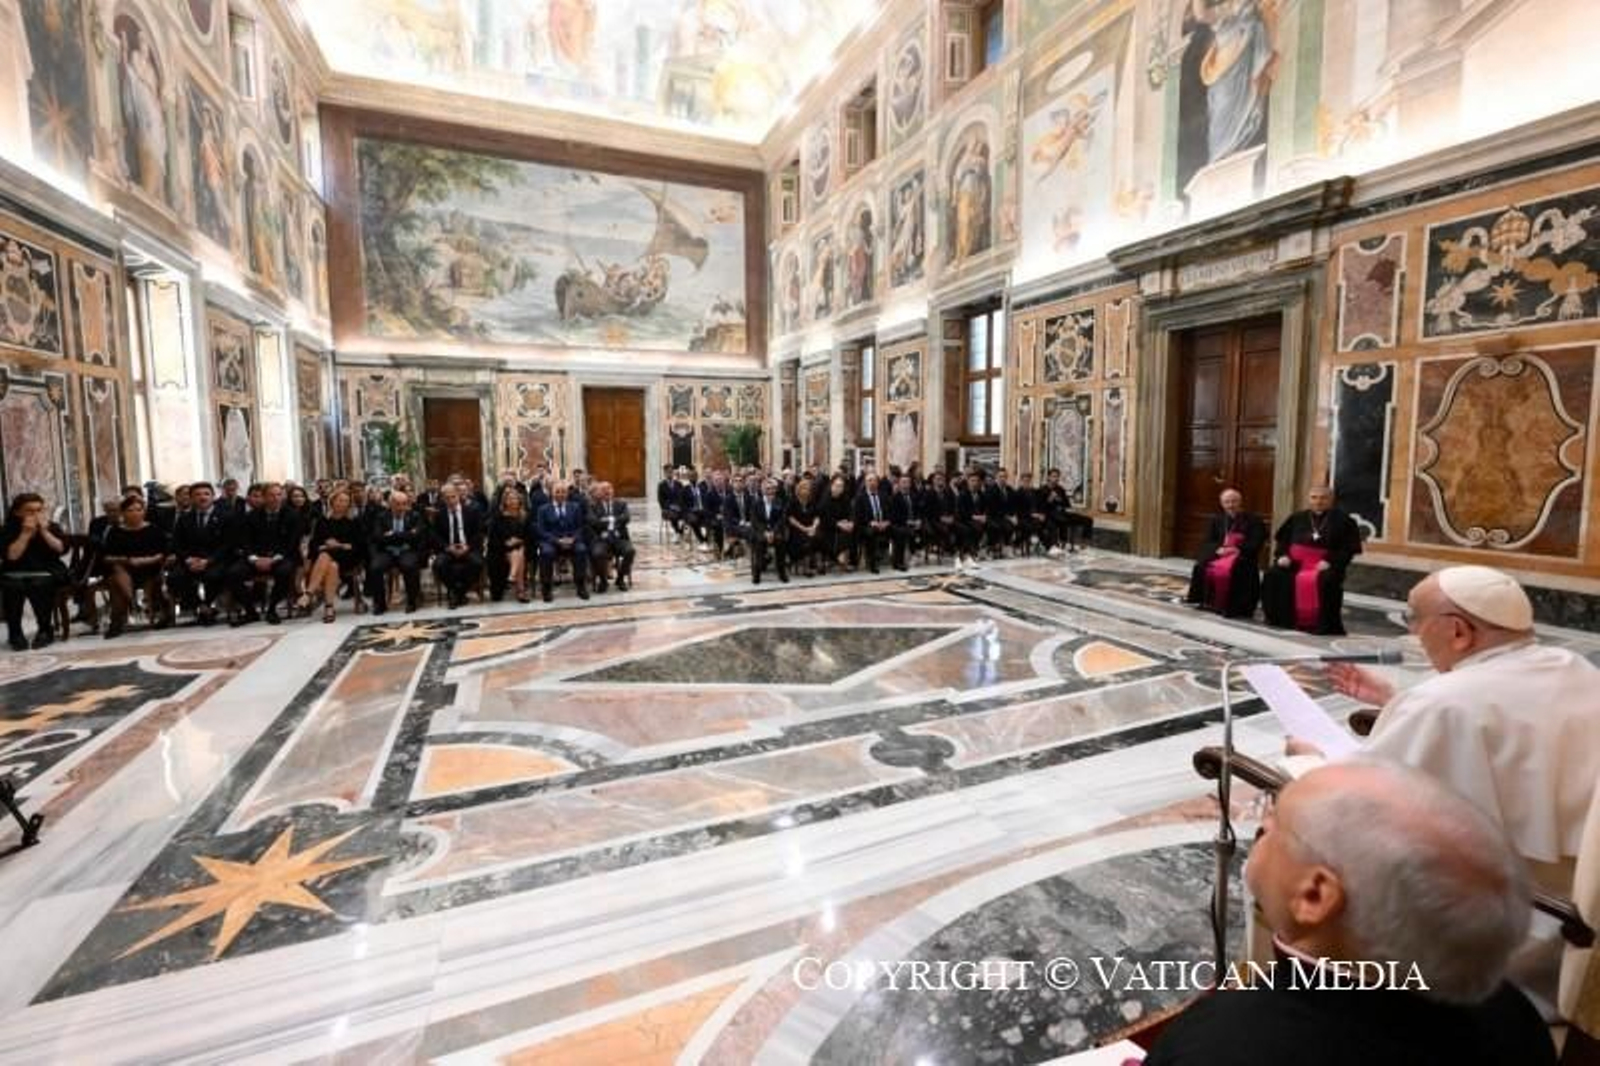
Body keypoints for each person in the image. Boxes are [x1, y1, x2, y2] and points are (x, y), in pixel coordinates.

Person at [1306, 565, 1600, 1006]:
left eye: (1414, 619)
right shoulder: (1572, 666)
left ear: (1459, 631)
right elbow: (1508, 732)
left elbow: (1363, 802)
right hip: (1573, 914)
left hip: (1496, 934)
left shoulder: (1442, 705)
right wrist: (1395, 702)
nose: (1413, 633)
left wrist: (1310, 754)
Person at [1145, 760, 1555, 1066]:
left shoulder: (1218, 1045)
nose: (1260, 831)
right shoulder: (1512, 1013)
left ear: (1314, 896)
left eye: (1274, 824)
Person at [1261, 486, 1362, 636]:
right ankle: (1280, 619)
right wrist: (1282, 555)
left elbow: (1349, 548)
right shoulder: (1297, 517)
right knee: (1272, 574)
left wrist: (1331, 561)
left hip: (1323, 564)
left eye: (1323, 498)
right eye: (1314, 497)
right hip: (1294, 563)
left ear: (1331, 499)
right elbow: (1283, 540)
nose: (1318, 501)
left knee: (1326, 580)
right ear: (1308, 499)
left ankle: (1318, 624)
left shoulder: (1345, 521)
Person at [1186, 487, 1268, 618]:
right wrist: (1218, 549)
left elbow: (1257, 541)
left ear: (1240, 502)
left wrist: (1237, 549)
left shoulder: (1254, 520)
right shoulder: (1217, 519)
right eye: (1227, 502)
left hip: (1242, 555)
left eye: (1234, 501)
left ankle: (1232, 607)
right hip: (1221, 554)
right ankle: (1208, 602)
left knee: (1236, 569)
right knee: (1201, 566)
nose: (1230, 505)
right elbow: (1208, 540)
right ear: (1222, 503)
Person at [2, 493, 68, 650]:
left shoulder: (52, 527)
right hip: (15, 572)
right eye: (29, 511)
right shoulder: (7, 529)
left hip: (47, 571)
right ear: (17, 512)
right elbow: (12, 556)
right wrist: (25, 534)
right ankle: (15, 633)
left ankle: (45, 630)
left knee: (40, 584)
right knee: (12, 586)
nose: (36, 515)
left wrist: (44, 532)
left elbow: (60, 548)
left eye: (39, 510)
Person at [102, 496, 171, 637]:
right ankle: (130, 605)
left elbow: (162, 554)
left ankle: (132, 608)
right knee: (117, 573)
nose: (135, 513)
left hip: (150, 567)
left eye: (138, 510)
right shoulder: (115, 531)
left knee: (119, 579)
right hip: (126, 568)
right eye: (130, 510)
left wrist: (144, 560)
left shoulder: (153, 529)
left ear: (143, 512)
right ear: (123, 513)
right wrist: (127, 560)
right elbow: (107, 557)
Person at [167, 481, 234, 626]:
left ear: (213, 496)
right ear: (191, 498)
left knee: (214, 576)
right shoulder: (184, 519)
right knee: (174, 578)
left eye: (206, 494)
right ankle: (202, 606)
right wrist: (188, 559)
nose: (202, 498)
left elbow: (228, 544)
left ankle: (207, 606)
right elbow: (177, 544)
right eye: (197, 495)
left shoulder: (226, 516)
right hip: (190, 561)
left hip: (215, 560)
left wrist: (208, 561)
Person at [305, 488, 366, 623]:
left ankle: (309, 592)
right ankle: (329, 607)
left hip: (348, 558)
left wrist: (338, 545)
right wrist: (326, 546)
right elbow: (313, 545)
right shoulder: (323, 521)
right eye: (339, 500)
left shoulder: (354, 521)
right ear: (332, 502)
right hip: (328, 560)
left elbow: (359, 545)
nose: (342, 504)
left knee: (326, 556)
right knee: (331, 565)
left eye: (346, 501)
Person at [366, 490, 426, 615]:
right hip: (387, 551)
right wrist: (407, 534)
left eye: (404, 504)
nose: (401, 507)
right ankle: (380, 604)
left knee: (409, 565)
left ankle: (411, 601)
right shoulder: (381, 516)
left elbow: (417, 536)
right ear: (390, 504)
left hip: (407, 550)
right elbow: (378, 537)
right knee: (375, 567)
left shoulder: (415, 515)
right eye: (397, 504)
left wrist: (392, 535)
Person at [430, 484, 484, 609]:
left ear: (458, 496)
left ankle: (458, 592)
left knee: (477, 563)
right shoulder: (440, 514)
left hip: (468, 547)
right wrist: (447, 547)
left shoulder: (472, 511)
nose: (451, 500)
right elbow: (435, 535)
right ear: (443, 499)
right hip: (448, 548)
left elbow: (479, 532)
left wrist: (468, 547)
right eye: (447, 498)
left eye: (453, 497)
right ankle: (455, 591)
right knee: (438, 564)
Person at [536, 481, 589, 603]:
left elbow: (580, 527)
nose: (560, 494)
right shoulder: (543, 509)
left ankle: (580, 584)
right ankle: (547, 587)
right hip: (551, 541)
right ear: (552, 493)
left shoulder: (575, 507)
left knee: (581, 550)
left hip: (572, 540)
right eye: (557, 492)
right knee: (546, 553)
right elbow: (541, 530)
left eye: (563, 492)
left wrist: (573, 539)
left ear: (567, 493)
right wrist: (557, 540)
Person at [486, 487, 534, 602]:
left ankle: (512, 577)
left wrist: (519, 541)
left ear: (519, 501)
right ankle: (520, 591)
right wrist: (506, 543)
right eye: (510, 499)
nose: (513, 501)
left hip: (522, 547)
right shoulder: (498, 517)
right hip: (501, 549)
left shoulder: (525, 516)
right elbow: (493, 538)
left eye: (515, 499)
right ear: (505, 501)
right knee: (517, 553)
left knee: (518, 551)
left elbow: (530, 536)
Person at [587, 481, 634, 593]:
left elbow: (626, 518)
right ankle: (603, 580)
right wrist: (615, 520)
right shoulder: (593, 506)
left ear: (613, 490)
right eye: (603, 489)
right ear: (599, 492)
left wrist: (608, 520)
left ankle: (620, 578)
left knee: (630, 551)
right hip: (601, 539)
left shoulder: (621, 504)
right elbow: (593, 522)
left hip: (619, 538)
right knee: (597, 554)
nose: (607, 491)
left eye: (609, 488)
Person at [750, 478, 789, 585]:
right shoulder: (756, 503)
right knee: (759, 542)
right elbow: (755, 521)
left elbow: (781, 520)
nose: (770, 491)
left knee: (781, 542)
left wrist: (773, 532)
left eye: (772, 489)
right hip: (761, 531)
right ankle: (757, 572)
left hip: (775, 531)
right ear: (763, 490)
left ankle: (782, 572)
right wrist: (765, 532)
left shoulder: (779, 502)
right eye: (767, 489)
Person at [787, 477, 825, 577]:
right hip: (797, 529)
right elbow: (791, 519)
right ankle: (806, 567)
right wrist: (804, 528)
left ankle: (818, 563)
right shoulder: (793, 501)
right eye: (804, 488)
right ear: (799, 489)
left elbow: (817, 516)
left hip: (810, 527)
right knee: (805, 539)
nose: (806, 491)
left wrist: (813, 527)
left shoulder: (811, 501)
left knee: (819, 536)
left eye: (808, 489)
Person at [887, 475, 924, 572]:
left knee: (926, 529)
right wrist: (908, 522)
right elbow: (893, 517)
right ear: (899, 484)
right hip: (898, 524)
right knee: (902, 532)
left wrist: (919, 520)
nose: (905, 485)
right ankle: (898, 562)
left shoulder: (914, 496)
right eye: (903, 482)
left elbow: (919, 511)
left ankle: (915, 553)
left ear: (910, 484)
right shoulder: (894, 498)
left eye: (907, 482)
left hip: (913, 523)